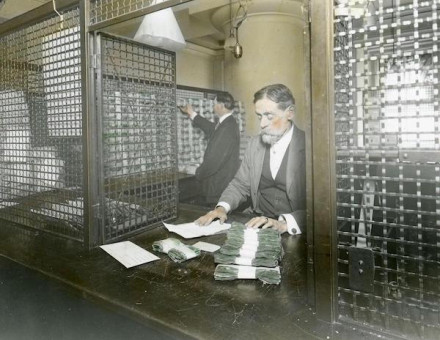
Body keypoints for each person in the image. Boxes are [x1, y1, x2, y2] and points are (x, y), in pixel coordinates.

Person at [195, 84, 306, 235]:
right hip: (256, 222)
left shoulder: (311, 147)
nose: (262, 124)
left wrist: (285, 223)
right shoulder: (255, 144)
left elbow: (324, 207)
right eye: (259, 116)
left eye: (269, 116)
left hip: (293, 230)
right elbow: (240, 184)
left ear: (290, 113)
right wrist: (221, 208)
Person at [179, 92, 240, 205]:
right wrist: (191, 113)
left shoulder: (227, 128)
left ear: (221, 106)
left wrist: (197, 171)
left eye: (215, 103)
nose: (213, 107)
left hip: (218, 187)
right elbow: (211, 128)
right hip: (221, 184)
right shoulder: (228, 123)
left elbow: (214, 161)